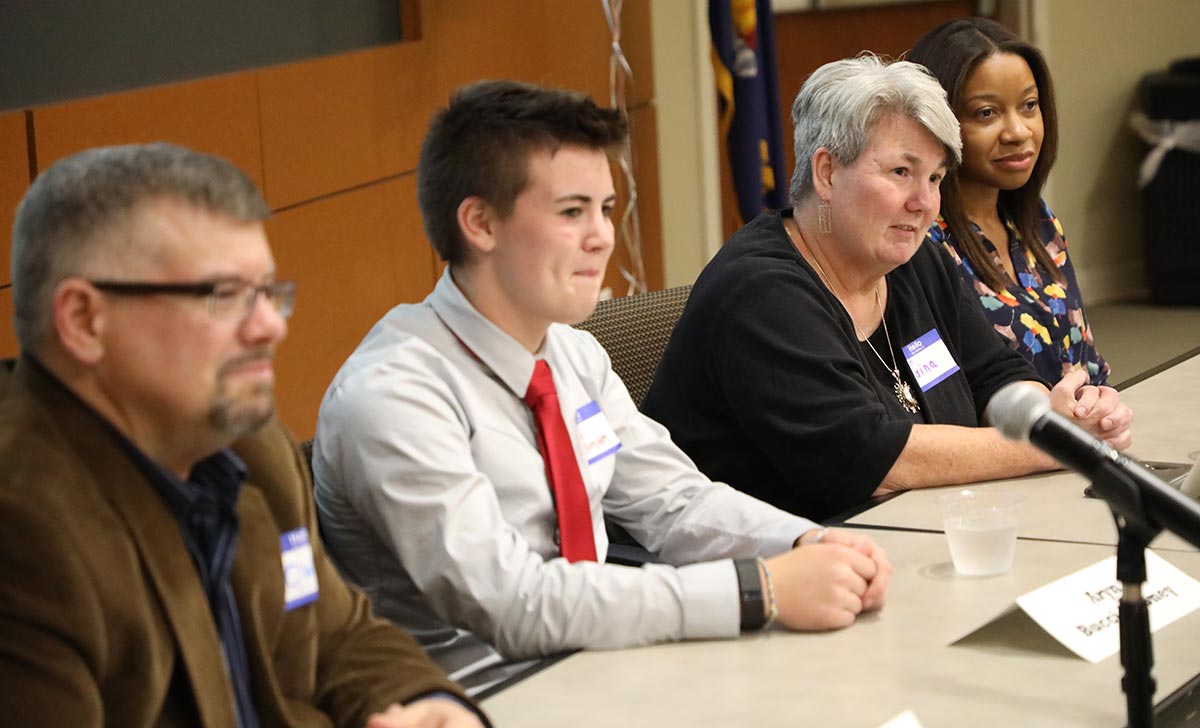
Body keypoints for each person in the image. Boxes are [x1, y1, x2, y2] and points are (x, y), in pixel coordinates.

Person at [313, 80, 893, 678]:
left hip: (607, 660)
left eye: (606, 209)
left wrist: (806, 545)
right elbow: (512, 603)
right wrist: (756, 589)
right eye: (572, 212)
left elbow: (672, 500)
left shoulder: (570, 353)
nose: (602, 237)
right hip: (483, 699)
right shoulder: (393, 395)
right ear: (480, 224)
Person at [0, 143, 486, 728]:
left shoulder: (251, 449)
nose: (271, 325)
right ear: (84, 320)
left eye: (267, 292)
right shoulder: (24, 528)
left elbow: (337, 636)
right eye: (223, 296)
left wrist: (434, 709)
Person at [641, 56, 1133, 522]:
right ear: (827, 172)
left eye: (936, 177)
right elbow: (870, 457)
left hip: (919, 532)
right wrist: (1049, 441)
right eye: (901, 172)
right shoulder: (761, 292)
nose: (924, 203)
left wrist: (1043, 411)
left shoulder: (914, 262)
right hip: (774, 568)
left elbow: (993, 372)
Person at [908, 17, 1110, 386]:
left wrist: (1104, 407)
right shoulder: (917, 244)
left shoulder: (1037, 219)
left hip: (1074, 438)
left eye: (1030, 105)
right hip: (999, 441)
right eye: (986, 113)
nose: (1018, 132)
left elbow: (1087, 363)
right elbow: (938, 394)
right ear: (935, 122)